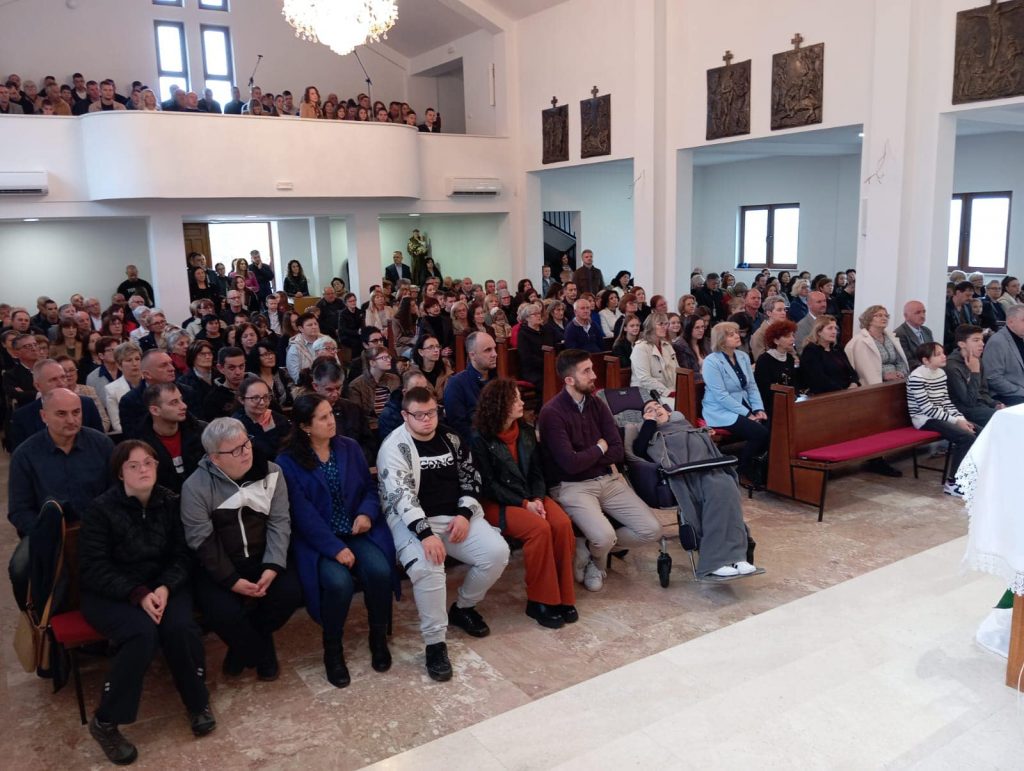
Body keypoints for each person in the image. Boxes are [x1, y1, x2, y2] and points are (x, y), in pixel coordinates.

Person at [80, 441, 214, 765]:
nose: (143, 470)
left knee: (181, 627)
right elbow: (94, 567)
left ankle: (197, 702)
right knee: (141, 634)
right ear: (120, 473)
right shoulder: (101, 510)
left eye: (148, 463)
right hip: (113, 592)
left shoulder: (170, 502)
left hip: (162, 585)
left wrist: (166, 587)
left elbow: (183, 555)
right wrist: (138, 594)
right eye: (133, 465)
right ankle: (106, 721)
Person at [377, 387, 510, 681]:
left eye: (432, 413)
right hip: (412, 521)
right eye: (419, 415)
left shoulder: (451, 437)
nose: (427, 420)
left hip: (454, 516)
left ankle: (463, 607)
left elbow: (471, 477)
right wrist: (425, 534)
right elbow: (401, 497)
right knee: (429, 567)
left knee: (496, 553)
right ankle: (435, 643)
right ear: (405, 415)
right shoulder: (394, 446)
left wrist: (464, 515)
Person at [276, 394, 397, 686]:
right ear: (305, 426)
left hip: (355, 530)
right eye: (323, 418)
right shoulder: (287, 461)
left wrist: (366, 513)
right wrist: (334, 548)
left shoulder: (349, 447)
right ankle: (333, 649)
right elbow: (302, 514)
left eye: (331, 414)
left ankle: (378, 636)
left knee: (380, 572)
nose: (332, 421)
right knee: (338, 583)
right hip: (320, 540)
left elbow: (369, 488)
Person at [180, 418, 302, 682]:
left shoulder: (272, 472)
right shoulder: (195, 487)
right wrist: (232, 580)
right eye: (235, 450)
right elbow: (202, 541)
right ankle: (259, 651)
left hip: (262, 555)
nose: (246, 452)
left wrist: (272, 565)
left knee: (290, 593)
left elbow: (280, 521)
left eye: (246, 444)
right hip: (221, 563)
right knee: (223, 613)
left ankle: (241, 650)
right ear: (215, 458)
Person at [537, 350, 661, 592]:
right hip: (572, 486)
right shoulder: (551, 413)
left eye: (592, 369)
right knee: (604, 537)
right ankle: (597, 556)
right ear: (569, 380)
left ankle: (590, 548)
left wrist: (588, 455)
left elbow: (617, 452)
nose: (594, 375)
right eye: (586, 371)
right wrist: (599, 448)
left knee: (652, 530)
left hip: (607, 478)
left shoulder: (597, 404)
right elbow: (569, 464)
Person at [470, 378, 578, 628]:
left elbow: (538, 473)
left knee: (562, 524)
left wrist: (538, 498)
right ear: (500, 404)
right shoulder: (480, 439)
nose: (522, 403)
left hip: (530, 496)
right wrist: (523, 503)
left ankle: (564, 596)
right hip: (498, 503)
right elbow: (488, 485)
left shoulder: (526, 431)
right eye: (516, 399)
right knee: (539, 529)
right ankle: (540, 600)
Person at [631, 399, 758, 578]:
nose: (655, 409)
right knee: (715, 493)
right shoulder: (651, 436)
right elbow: (638, 450)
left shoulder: (688, 427)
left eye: (658, 406)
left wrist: (705, 437)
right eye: (649, 410)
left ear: (669, 412)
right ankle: (714, 562)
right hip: (685, 476)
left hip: (709, 470)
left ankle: (737, 558)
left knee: (727, 486)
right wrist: (649, 423)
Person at [7, 388, 114, 538]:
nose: (71, 420)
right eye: (61, 414)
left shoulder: (102, 445)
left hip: (102, 534)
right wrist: (47, 534)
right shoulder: (25, 456)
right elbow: (19, 510)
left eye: (76, 412)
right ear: (44, 416)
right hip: (50, 540)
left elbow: (117, 492)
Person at [906, 342, 977, 498]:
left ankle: (970, 476)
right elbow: (927, 408)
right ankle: (953, 483)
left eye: (943, 352)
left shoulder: (941, 373)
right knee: (966, 437)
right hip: (924, 419)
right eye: (938, 354)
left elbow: (946, 402)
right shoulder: (917, 377)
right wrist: (956, 422)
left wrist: (961, 419)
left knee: (979, 431)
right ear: (925, 360)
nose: (944, 356)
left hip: (941, 415)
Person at [701, 321, 769, 483]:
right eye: (731, 335)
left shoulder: (743, 356)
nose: (737, 336)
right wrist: (748, 414)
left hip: (744, 404)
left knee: (772, 426)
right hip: (720, 409)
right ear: (721, 340)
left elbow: (751, 386)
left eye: (737, 333)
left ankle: (760, 467)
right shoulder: (711, 361)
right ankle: (742, 470)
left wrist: (758, 409)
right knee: (760, 433)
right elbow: (721, 396)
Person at [8, 359, 104, 450]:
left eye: (63, 377)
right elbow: (20, 455)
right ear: (38, 386)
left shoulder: (86, 405)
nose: (61, 383)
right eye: (53, 379)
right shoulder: (22, 416)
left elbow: (99, 443)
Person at [137, 383, 207, 493]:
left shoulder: (203, 432)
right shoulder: (140, 446)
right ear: (155, 410)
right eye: (174, 402)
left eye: (181, 400)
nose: (184, 406)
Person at [309, 358, 377, 464]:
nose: (335, 394)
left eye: (338, 388)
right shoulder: (307, 410)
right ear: (315, 386)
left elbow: (368, 443)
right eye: (329, 389)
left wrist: (357, 458)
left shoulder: (353, 408)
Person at [443, 331, 496, 443]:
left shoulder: (498, 380)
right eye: (488, 350)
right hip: (477, 446)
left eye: (494, 348)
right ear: (472, 355)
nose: (494, 354)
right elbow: (460, 428)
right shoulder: (456, 385)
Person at [945, 324, 1002, 427]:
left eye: (982, 340)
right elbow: (968, 401)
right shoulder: (951, 366)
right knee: (1001, 418)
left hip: (979, 405)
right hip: (961, 409)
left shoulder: (977, 360)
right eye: (976, 340)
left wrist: (995, 404)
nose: (982, 344)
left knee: (1008, 412)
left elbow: (983, 391)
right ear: (962, 344)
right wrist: (975, 372)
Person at [845, 305, 910, 385]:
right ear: (869, 319)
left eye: (886, 316)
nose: (884, 318)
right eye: (879, 315)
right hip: (876, 384)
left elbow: (900, 360)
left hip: (898, 381)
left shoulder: (890, 338)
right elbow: (864, 368)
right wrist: (884, 375)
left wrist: (900, 372)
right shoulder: (860, 341)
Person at [799, 315, 861, 394]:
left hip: (845, 392)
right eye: (830, 328)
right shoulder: (811, 351)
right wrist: (842, 391)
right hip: (825, 395)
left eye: (835, 328)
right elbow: (818, 379)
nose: (834, 332)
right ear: (819, 332)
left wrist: (854, 384)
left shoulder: (837, 349)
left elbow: (852, 372)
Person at [234, 375, 291, 459]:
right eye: (255, 398)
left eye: (266, 397)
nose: (262, 402)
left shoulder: (279, 419)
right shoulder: (236, 426)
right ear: (242, 400)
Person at [630, 313, 678, 407]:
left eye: (666, 324)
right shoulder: (641, 348)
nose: (664, 327)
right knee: (678, 406)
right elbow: (644, 378)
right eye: (661, 324)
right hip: (648, 394)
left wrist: (680, 390)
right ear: (651, 327)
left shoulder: (667, 345)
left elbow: (676, 370)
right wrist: (667, 392)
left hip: (670, 391)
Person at [348, 345, 401, 429]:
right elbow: (358, 415)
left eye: (389, 357)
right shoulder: (356, 385)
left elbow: (399, 405)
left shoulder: (394, 379)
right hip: (372, 427)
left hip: (395, 422)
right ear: (372, 363)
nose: (389, 360)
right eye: (384, 358)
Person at [754, 319, 798, 417]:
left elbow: (793, 382)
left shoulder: (789, 358)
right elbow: (764, 388)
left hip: (789, 401)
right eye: (788, 336)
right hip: (771, 406)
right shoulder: (764, 360)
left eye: (793, 335)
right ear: (776, 341)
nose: (792, 339)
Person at [982, 305, 1024, 406]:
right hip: (1006, 394)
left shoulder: (1020, 337)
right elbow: (993, 378)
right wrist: (1021, 391)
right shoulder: (997, 342)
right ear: (1010, 322)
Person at [202, 346, 247, 422]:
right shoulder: (213, 399)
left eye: (241, 366)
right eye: (232, 368)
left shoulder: (256, 389)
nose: (238, 372)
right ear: (220, 368)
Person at [286, 312, 328, 382]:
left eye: (315, 324)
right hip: (306, 384)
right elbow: (295, 376)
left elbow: (336, 365)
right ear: (301, 328)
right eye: (310, 325)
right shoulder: (295, 348)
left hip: (329, 382)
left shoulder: (327, 342)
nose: (314, 327)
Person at [893, 300, 935, 369]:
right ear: (906, 316)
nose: (922, 315)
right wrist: (929, 367)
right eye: (917, 312)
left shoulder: (927, 331)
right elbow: (907, 360)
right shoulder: (899, 334)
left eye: (924, 312)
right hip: (914, 371)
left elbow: (932, 354)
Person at [515, 303, 546, 392]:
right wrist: (545, 362)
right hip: (532, 370)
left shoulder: (546, 330)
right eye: (534, 314)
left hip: (548, 366)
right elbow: (526, 357)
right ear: (527, 318)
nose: (538, 316)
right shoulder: (523, 334)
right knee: (545, 382)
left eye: (539, 313)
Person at [749, 296, 788, 360]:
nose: (784, 313)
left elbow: (792, 352)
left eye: (784, 310)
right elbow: (761, 361)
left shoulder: (785, 329)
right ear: (769, 313)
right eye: (779, 310)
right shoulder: (759, 335)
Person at [945, 281, 976, 352]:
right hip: (951, 345)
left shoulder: (968, 307)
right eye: (968, 295)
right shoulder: (946, 308)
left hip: (966, 340)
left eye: (971, 296)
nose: (970, 298)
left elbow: (972, 324)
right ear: (958, 292)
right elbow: (947, 334)